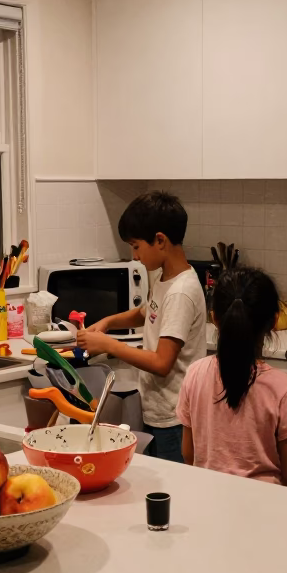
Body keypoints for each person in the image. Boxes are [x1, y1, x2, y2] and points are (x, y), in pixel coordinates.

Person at [76, 190, 206, 462]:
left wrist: (109, 345)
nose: (134, 256)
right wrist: (109, 322)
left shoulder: (181, 291)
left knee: (172, 492)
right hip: (159, 412)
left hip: (175, 418)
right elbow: (144, 313)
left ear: (160, 240)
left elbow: (161, 362)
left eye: (135, 246)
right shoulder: (165, 278)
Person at [176, 266, 287, 488]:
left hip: (206, 503)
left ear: (215, 319)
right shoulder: (286, 389)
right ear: (275, 321)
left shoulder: (195, 373)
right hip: (264, 511)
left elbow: (188, 454)